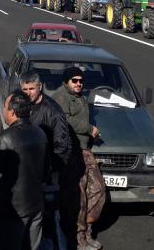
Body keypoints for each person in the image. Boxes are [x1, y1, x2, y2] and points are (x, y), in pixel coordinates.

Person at [54, 67, 105, 250]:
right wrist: (89, 128)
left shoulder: (80, 97)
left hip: (85, 150)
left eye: (81, 81)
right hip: (73, 152)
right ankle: (79, 238)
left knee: (98, 189)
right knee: (79, 197)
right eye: (74, 80)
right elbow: (64, 120)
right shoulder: (61, 97)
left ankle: (87, 229)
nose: (78, 83)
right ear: (67, 81)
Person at [0, 91, 47, 250]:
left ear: (12, 112)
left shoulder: (5, 139)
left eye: (5, 107)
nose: (4, 110)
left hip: (13, 212)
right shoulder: (40, 133)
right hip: (36, 206)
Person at [20, 70, 73, 247]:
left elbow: (62, 147)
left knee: (53, 218)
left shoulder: (53, 112)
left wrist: (49, 172)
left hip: (48, 176)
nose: (28, 93)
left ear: (40, 87)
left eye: (31, 89)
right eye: (25, 89)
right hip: (29, 174)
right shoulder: (23, 107)